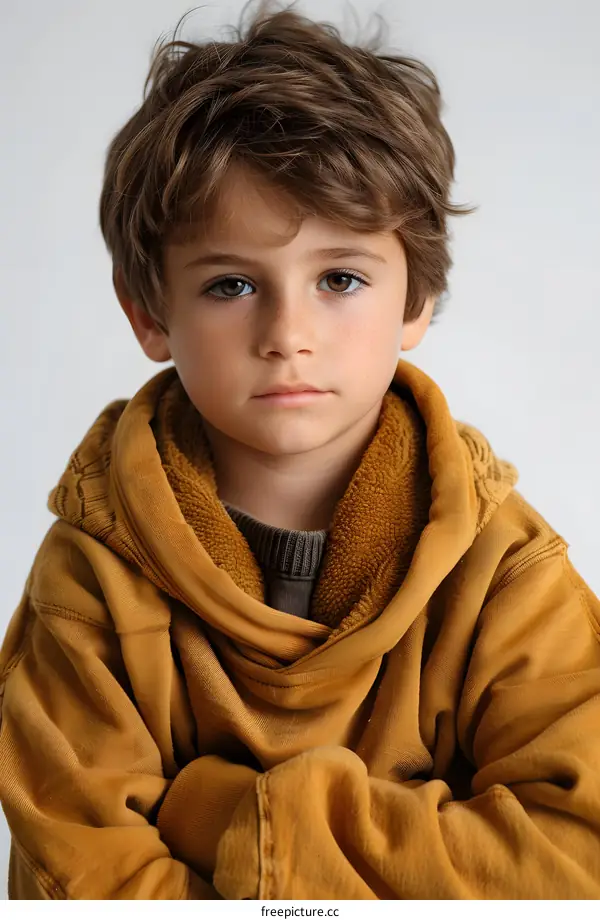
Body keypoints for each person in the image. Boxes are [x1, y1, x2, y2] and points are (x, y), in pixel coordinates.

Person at [1, 0, 599, 901]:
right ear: (149, 313)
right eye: (231, 285)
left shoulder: (504, 568)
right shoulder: (90, 574)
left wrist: (226, 818)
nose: (288, 334)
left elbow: (575, 856)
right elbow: (82, 877)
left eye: (340, 278)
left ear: (416, 300)